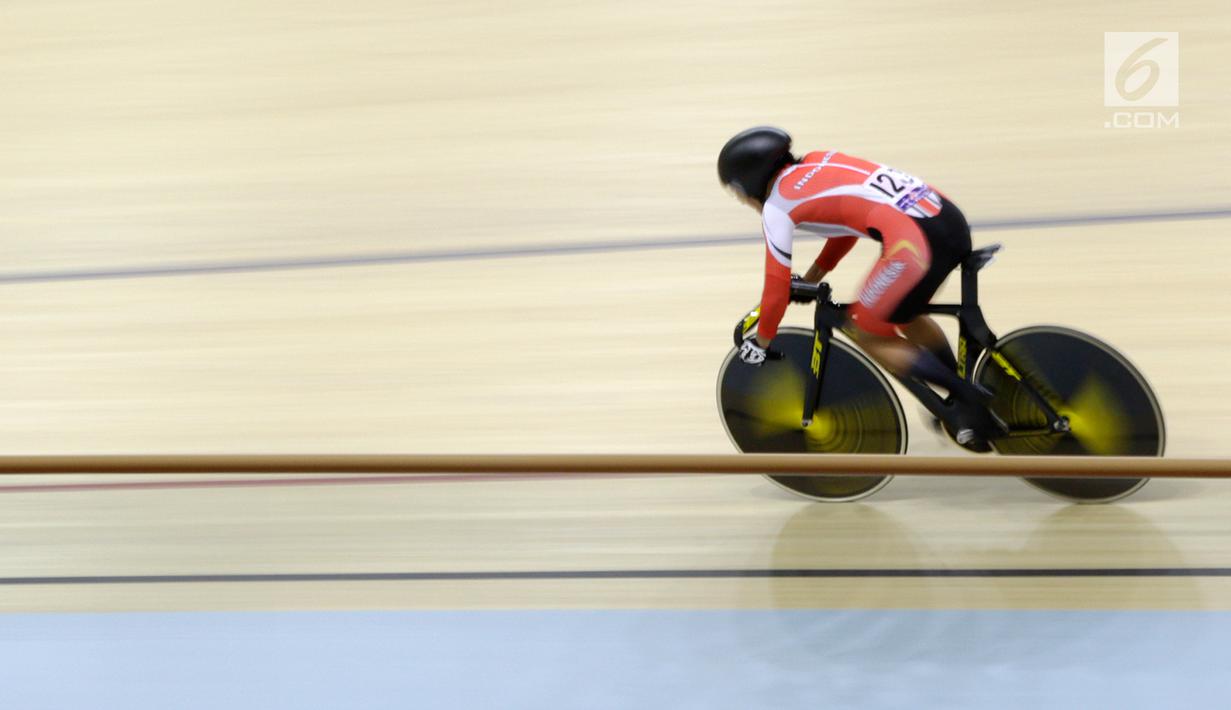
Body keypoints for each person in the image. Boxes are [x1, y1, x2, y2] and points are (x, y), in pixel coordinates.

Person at [718, 126, 998, 451]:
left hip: (915, 245)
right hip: (946, 220)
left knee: (865, 328)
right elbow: (844, 227)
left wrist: (762, 343)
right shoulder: (818, 160)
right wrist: (811, 277)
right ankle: (960, 393)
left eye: (738, 193)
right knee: (902, 314)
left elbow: (776, 291)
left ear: (750, 182)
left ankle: (969, 397)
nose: (742, 201)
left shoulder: (777, 207)